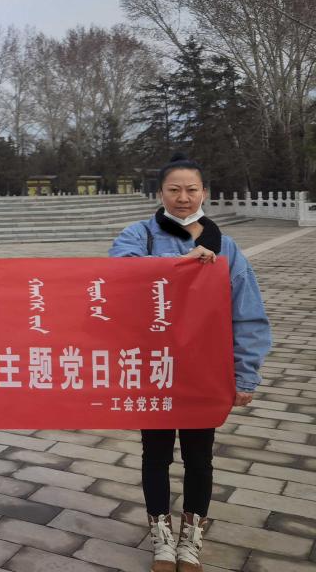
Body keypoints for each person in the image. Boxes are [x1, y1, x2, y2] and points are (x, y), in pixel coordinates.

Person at [109, 153, 271, 572]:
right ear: (160, 193)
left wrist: (245, 375)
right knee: (155, 454)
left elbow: (247, 314)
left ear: (204, 193)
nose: (183, 197)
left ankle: (191, 537)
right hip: (154, 368)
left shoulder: (225, 246)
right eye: (174, 189)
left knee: (200, 457)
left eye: (191, 189)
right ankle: (161, 536)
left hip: (204, 371)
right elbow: (119, 273)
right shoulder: (139, 234)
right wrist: (180, 264)